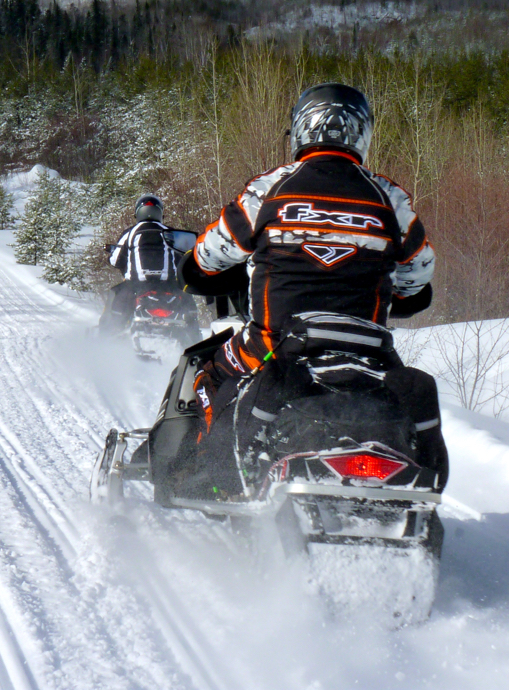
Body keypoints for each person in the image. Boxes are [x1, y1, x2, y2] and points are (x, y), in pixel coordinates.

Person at [180, 83, 447, 492]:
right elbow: (417, 277)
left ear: (302, 128)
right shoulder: (390, 197)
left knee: (211, 373)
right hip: (369, 355)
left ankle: (214, 481)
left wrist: (202, 268)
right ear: (362, 134)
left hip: (273, 345)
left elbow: (209, 256)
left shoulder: (272, 187)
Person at [98, 194, 182, 334]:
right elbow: (181, 257)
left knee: (115, 299)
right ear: (160, 212)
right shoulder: (171, 233)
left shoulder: (131, 233)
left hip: (136, 285)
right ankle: (193, 338)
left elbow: (115, 260)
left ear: (138, 213)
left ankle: (106, 337)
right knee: (187, 302)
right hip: (168, 286)